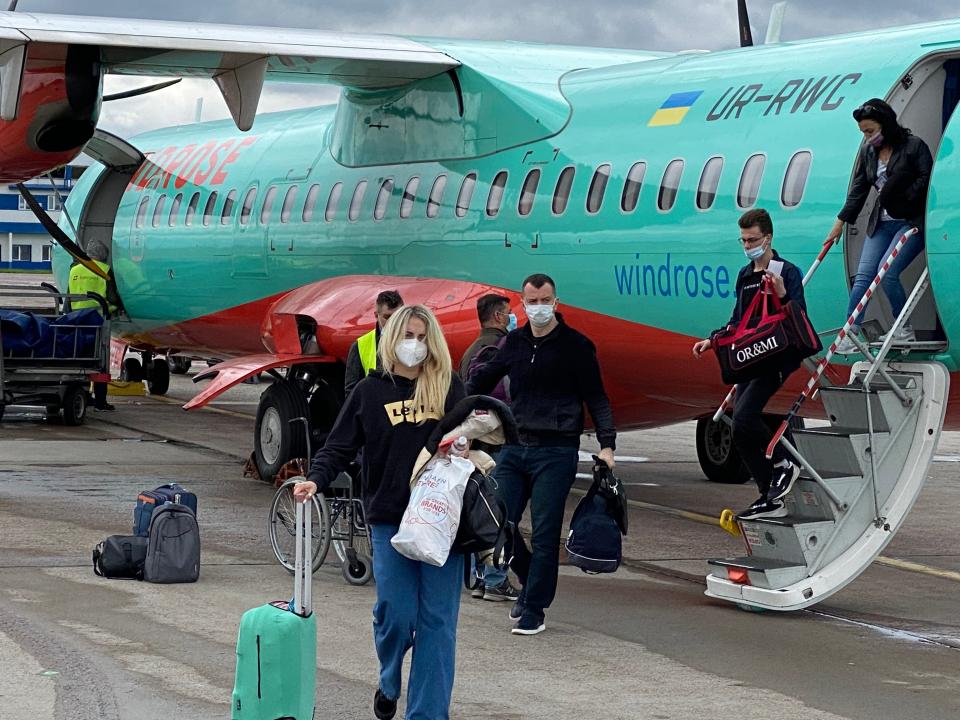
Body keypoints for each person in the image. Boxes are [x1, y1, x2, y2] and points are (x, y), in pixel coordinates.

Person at [293, 304, 465, 720]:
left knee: (437, 624)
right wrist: (316, 478)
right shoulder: (369, 393)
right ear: (391, 339)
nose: (416, 345)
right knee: (395, 613)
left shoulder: (448, 387)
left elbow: (478, 436)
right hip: (390, 517)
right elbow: (339, 445)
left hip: (443, 523)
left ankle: (425, 714)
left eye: (424, 337)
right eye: (409, 336)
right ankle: (390, 679)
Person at [466, 273, 616, 636]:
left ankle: (534, 607)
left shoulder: (577, 346)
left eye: (544, 300)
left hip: (557, 449)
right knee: (498, 520)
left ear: (556, 302)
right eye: (531, 302)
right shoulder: (514, 344)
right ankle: (530, 577)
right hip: (516, 447)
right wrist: (453, 410)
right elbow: (480, 382)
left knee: (546, 532)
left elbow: (596, 397)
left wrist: (607, 445)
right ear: (523, 303)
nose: (538, 308)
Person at [692, 209, 806, 519]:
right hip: (751, 356)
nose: (747, 245)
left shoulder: (787, 272)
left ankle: (785, 461)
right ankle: (769, 493)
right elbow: (738, 320)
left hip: (776, 355)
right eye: (743, 240)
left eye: (752, 239)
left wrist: (782, 293)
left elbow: (799, 317)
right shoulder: (745, 275)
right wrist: (714, 340)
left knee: (744, 418)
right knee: (739, 429)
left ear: (767, 238)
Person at [827, 98, 933, 353]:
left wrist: (902, 196)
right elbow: (860, 189)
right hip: (882, 222)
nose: (867, 137)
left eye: (870, 131)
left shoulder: (913, 146)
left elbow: (927, 178)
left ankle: (902, 328)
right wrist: (840, 221)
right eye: (863, 132)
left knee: (887, 274)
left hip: (910, 222)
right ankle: (850, 332)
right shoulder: (868, 152)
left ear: (885, 125)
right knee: (864, 275)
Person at [459, 292, 518, 602]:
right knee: (497, 512)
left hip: (471, 444)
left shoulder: (471, 351)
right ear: (498, 316)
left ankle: (479, 578)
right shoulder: (501, 349)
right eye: (508, 314)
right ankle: (495, 577)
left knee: (475, 510)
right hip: (495, 444)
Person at [68, 243, 115, 412]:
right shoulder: (104, 269)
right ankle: (101, 402)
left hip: (75, 320)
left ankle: (83, 394)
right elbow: (111, 297)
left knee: (78, 358)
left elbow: (68, 296)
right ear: (103, 254)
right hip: (97, 319)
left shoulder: (74, 270)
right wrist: (115, 309)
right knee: (99, 362)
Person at [343, 289, 403, 396]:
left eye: (397, 317)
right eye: (387, 317)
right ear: (376, 315)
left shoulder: (415, 342)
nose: (393, 322)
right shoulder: (360, 346)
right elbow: (352, 393)